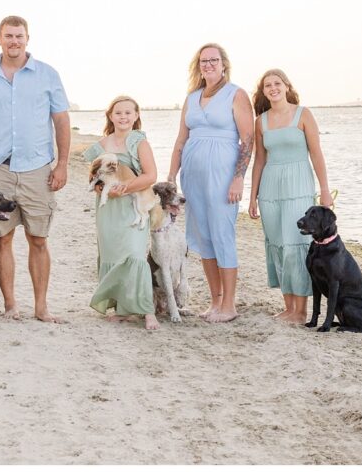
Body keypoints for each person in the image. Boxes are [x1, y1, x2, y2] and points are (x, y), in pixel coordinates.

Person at [0, 15, 70, 323]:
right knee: (3, 239)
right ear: (0, 38)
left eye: (19, 36)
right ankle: (11, 305)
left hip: (38, 168)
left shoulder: (47, 75)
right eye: (8, 36)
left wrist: (62, 164)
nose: (14, 41)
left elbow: (61, 121)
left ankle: (41, 307)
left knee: (38, 238)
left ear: (27, 39)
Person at [167, 43, 254, 323]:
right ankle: (215, 301)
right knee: (203, 237)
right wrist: (171, 176)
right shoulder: (191, 98)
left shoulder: (236, 95)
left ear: (224, 64)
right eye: (204, 61)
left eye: (214, 60)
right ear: (198, 65)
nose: (209, 65)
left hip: (223, 176)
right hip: (192, 177)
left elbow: (248, 140)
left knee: (222, 235)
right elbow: (181, 140)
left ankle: (229, 304)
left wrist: (239, 178)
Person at [248, 69, 333, 323]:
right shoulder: (260, 121)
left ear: (286, 86)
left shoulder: (303, 114)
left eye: (277, 84)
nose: (272, 88)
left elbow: (316, 154)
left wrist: (325, 190)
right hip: (270, 188)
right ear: (263, 92)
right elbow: (259, 161)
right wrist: (252, 197)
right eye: (267, 86)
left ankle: (300, 311)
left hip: (298, 185)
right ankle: (288, 307)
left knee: (296, 245)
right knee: (277, 245)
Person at [83, 96, 159, 331]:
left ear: (136, 116)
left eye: (128, 112)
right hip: (108, 210)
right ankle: (122, 309)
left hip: (132, 205)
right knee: (113, 256)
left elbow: (151, 176)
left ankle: (147, 311)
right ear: (110, 116)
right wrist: (100, 188)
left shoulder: (139, 142)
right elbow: (93, 177)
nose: (123, 117)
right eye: (118, 113)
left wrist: (124, 188)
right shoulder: (100, 146)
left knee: (135, 255)